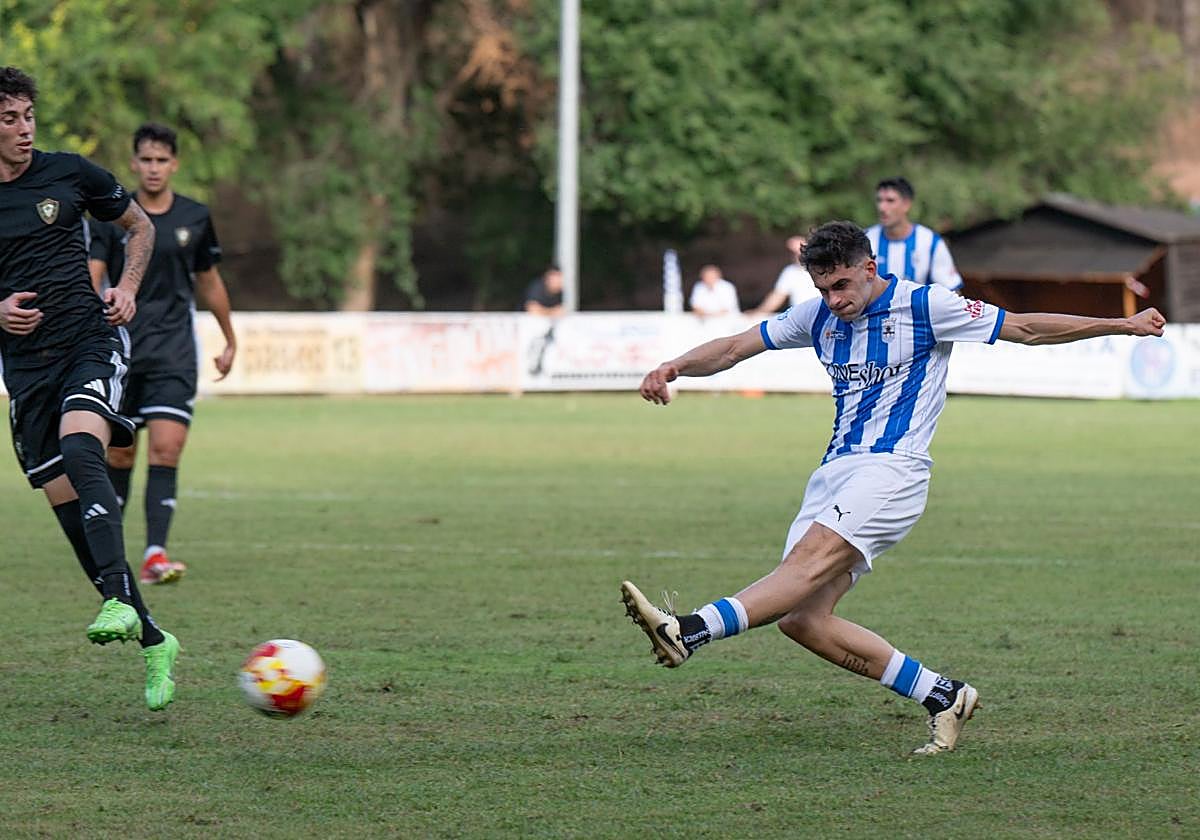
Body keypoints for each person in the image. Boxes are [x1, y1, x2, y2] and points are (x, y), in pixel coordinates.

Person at [622, 220, 1165, 755]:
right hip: (834, 474)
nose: (834, 300)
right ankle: (943, 696)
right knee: (802, 619)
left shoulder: (926, 306)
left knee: (803, 567)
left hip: (893, 470)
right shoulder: (817, 315)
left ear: (869, 268)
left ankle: (689, 630)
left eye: (842, 285)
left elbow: (1023, 328)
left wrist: (1122, 324)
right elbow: (736, 347)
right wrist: (674, 366)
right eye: (823, 288)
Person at [0, 67, 179, 710]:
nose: (25, 130)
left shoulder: (70, 173)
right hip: (26, 374)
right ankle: (154, 638)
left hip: (89, 342)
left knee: (83, 448)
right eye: (9, 119)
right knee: (74, 521)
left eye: (28, 116)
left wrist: (126, 288)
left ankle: (117, 601)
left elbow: (141, 226)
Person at [88, 122, 236, 586]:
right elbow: (93, 276)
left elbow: (209, 281)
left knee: (167, 449)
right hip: (121, 352)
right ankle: (108, 557)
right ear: (134, 164)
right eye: (146, 160)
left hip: (174, 352)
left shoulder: (195, 216)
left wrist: (229, 338)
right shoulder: (112, 217)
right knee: (120, 457)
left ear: (174, 165)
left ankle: (155, 554)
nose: (153, 168)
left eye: (162, 160)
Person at [866, 177, 963, 291]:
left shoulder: (930, 242)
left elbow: (952, 290)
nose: (882, 207)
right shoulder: (865, 240)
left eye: (890, 200)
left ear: (906, 204)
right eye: (879, 200)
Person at [749, 235, 820, 315]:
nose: (797, 255)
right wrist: (758, 312)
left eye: (800, 251)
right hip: (800, 317)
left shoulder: (820, 269)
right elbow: (777, 296)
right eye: (793, 253)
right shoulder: (790, 271)